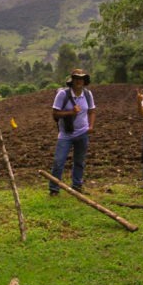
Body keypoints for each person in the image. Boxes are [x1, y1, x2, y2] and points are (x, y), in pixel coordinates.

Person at [49, 68, 96, 196]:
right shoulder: (63, 94)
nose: (79, 81)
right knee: (59, 161)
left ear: (84, 81)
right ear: (72, 80)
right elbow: (55, 113)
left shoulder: (87, 94)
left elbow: (91, 111)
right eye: (76, 78)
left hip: (83, 133)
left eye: (81, 78)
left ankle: (77, 186)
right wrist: (71, 112)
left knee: (79, 161)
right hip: (66, 134)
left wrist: (91, 126)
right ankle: (54, 189)